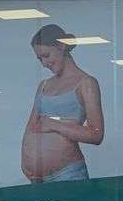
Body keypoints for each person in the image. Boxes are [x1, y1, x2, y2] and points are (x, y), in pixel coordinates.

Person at [21, 24, 104, 183]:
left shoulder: (85, 83)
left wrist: (54, 124)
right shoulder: (44, 85)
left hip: (69, 174)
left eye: (46, 55)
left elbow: (96, 134)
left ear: (61, 46)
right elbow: (31, 127)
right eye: (39, 59)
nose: (44, 63)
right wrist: (26, 163)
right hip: (38, 179)